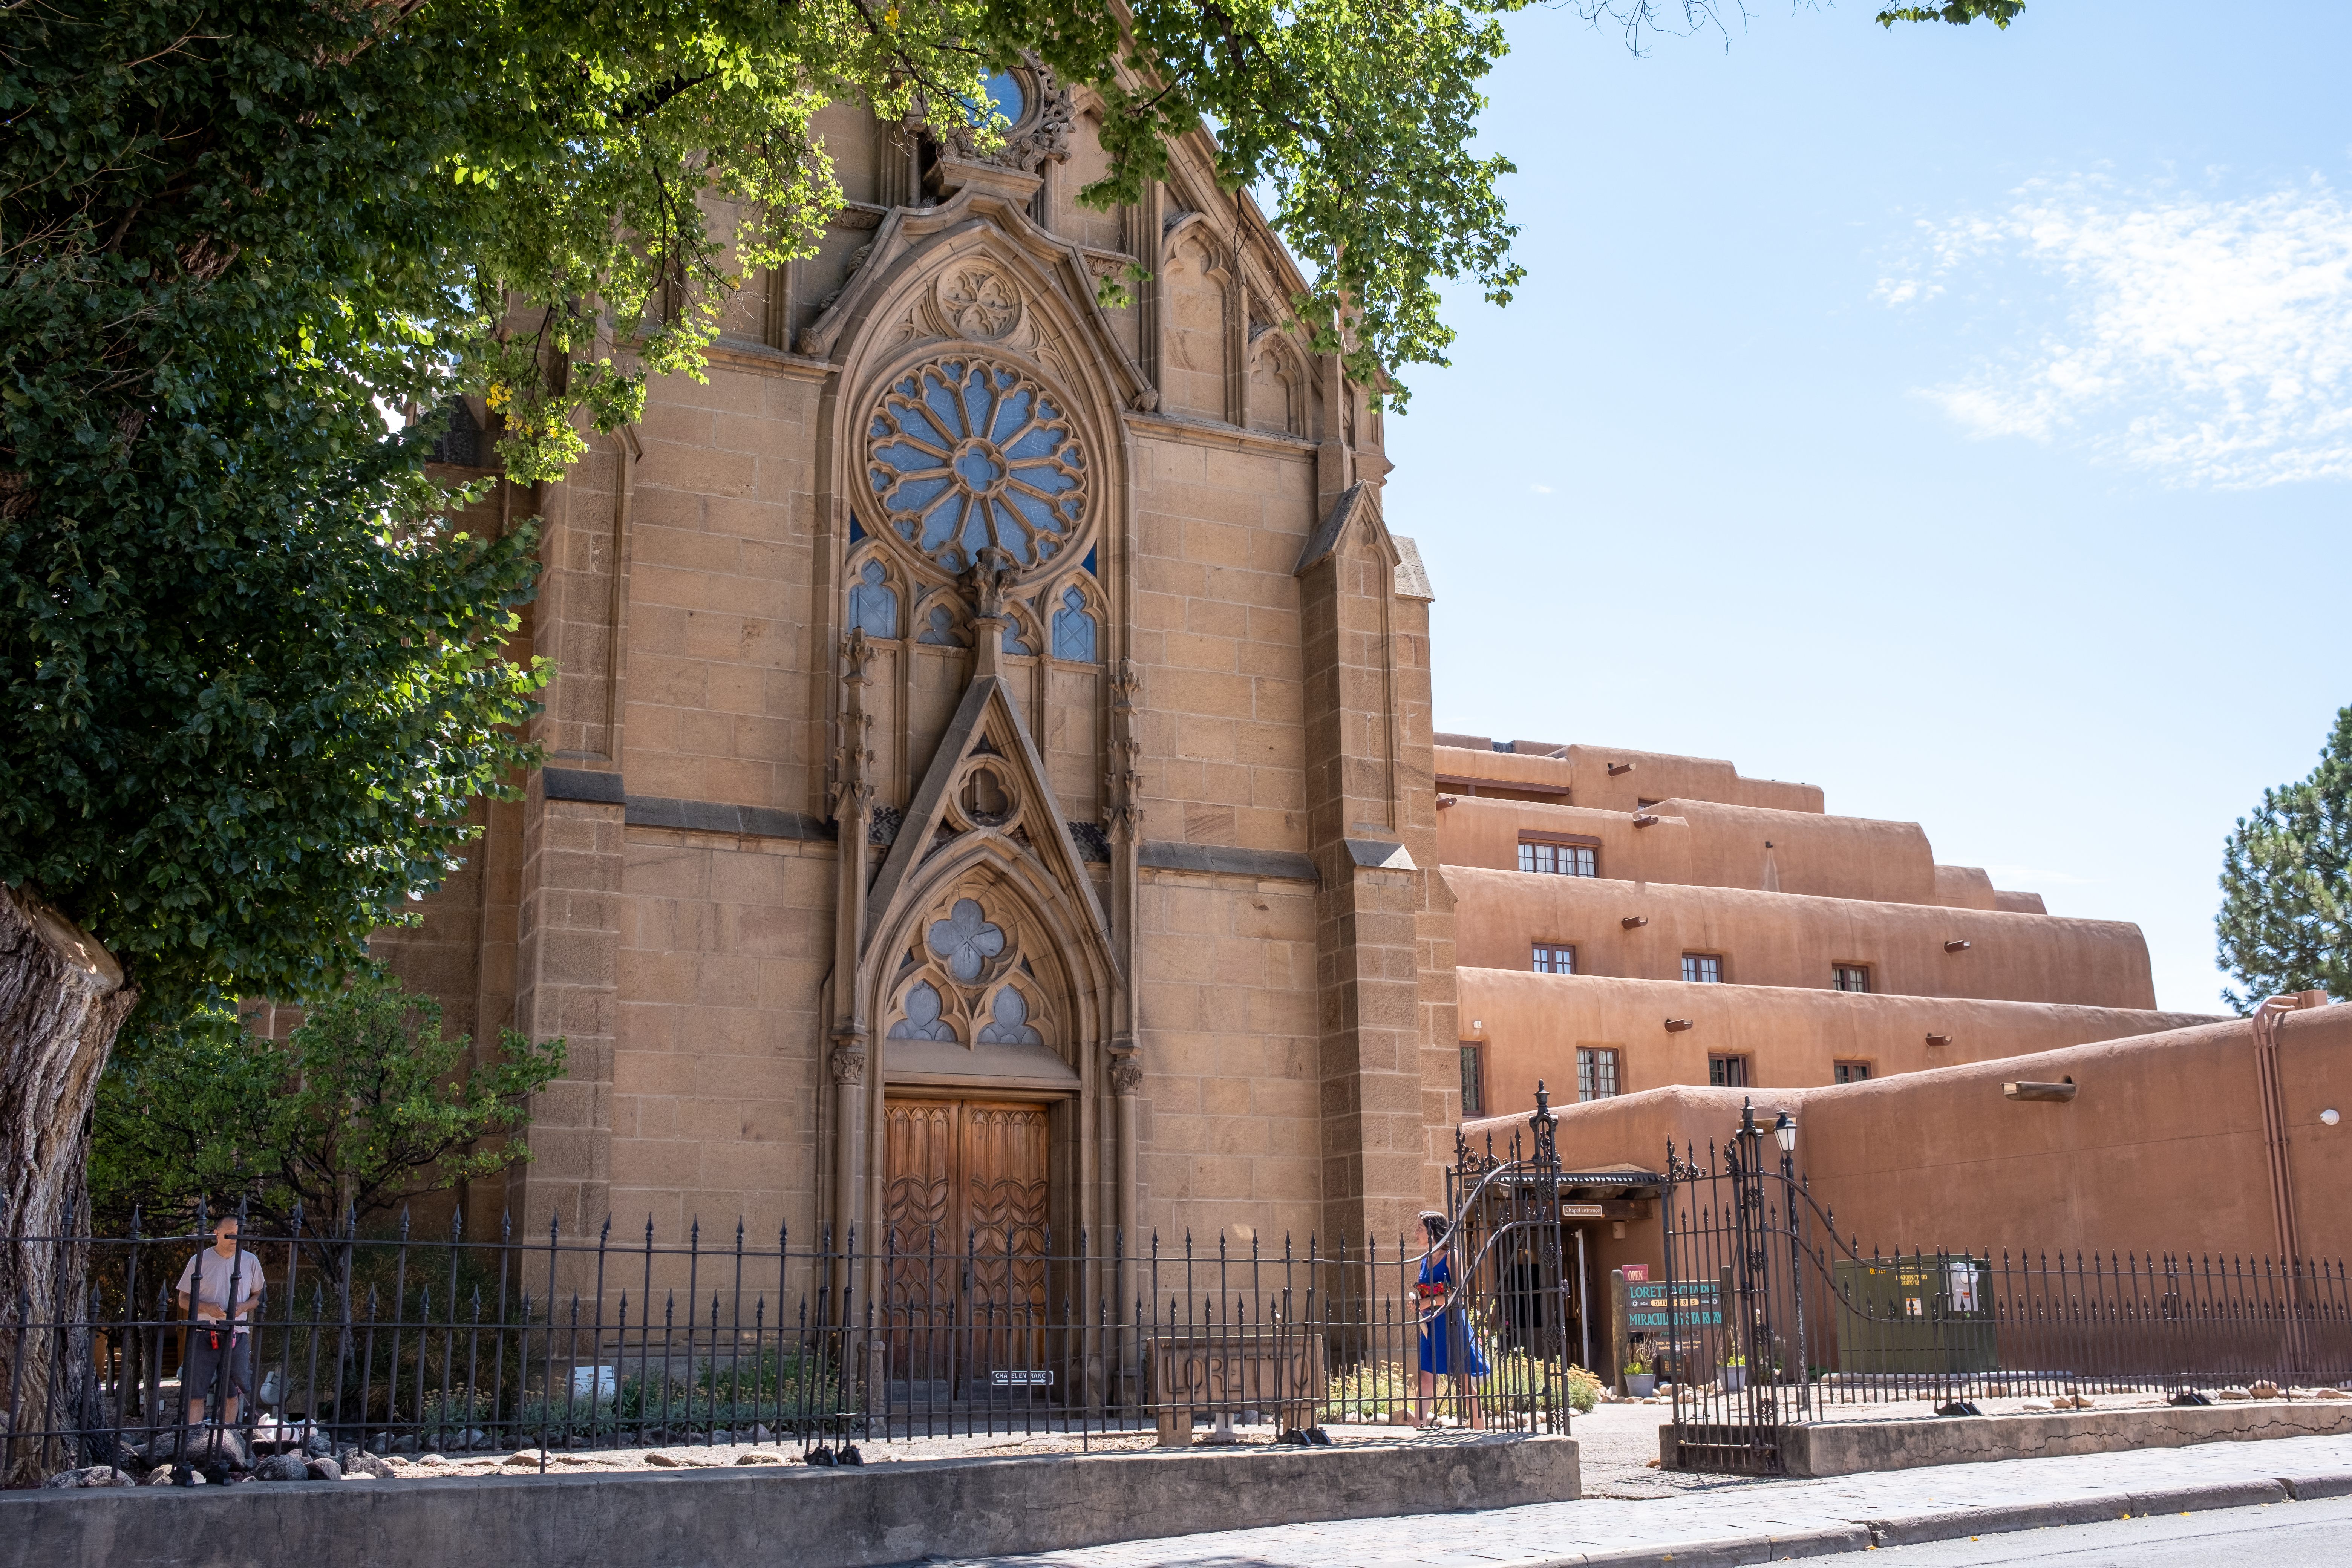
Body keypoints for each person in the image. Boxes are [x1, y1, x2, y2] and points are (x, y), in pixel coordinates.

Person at [176, 1213, 265, 1430]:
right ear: (216, 1233)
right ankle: (193, 1440)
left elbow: (258, 1296)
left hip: (237, 1334)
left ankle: (226, 1441)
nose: (235, 1238)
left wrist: (242, 1307)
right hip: (204, 1332)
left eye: (239, 1234)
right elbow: (183, 1299)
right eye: (230, 1234)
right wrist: (207, 1308)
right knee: (196, 1392)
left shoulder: (250, 1261)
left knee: (232, 1392)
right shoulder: (199, 1260)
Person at [1413, 1210, 1487, 1429]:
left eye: (1420, 1228)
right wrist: (1417, 1301)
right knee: (1426, 1377)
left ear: (1433, 1232)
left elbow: (1459, 1292)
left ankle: (1480, 1428)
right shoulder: (1425, 1259)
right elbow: (1426, 1291)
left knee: (1462, 1379)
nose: (1416, 1233)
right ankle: (1418, 1428)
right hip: (1430, 1323)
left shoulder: (1451, 1256)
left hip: (1451, 1322)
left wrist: (1428, 1302)